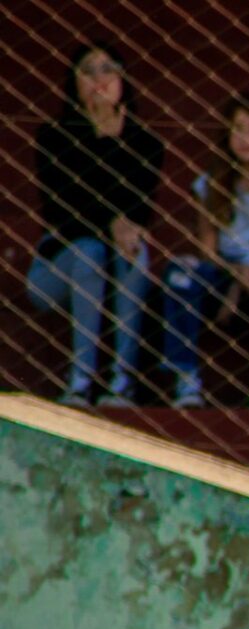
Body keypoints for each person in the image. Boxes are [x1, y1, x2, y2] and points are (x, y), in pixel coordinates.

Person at [27, 41, 164, 407]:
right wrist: (113, 222)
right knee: (89, 250)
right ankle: (81, 380)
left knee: (136, 251)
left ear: (123, 80)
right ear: (74, 81)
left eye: (108, 69)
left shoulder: (145, 142)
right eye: (88, 70)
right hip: (57, 268)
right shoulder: (54, 137)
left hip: (119, 261)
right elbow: (63, 213)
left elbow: (139, 207)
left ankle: (122, 380)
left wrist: (112, 141)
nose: (99, 79)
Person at [159, 94, 249, 410]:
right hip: (225, 268)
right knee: (179, 274)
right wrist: (236, 276)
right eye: (237, 129)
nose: (245, 139)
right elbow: (207, 250)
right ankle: (186, 377)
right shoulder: (212, 184)